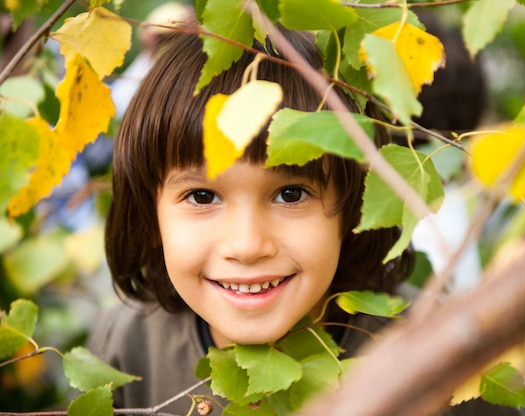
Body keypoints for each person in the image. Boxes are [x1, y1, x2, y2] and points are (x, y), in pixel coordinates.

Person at [88, 27, 414, 415]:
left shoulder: (432, 352)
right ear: (149, 213)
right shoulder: (125, 349)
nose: (246, 245)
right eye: (202, 196)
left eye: (291, 194)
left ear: (356, 206)